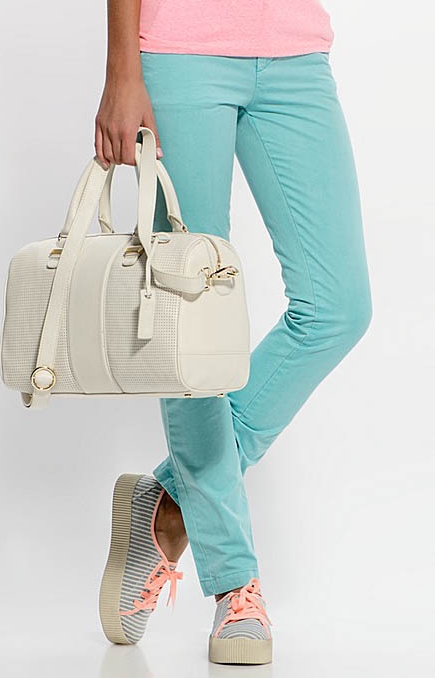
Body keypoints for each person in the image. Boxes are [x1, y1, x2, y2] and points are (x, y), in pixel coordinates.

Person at [95, 0, 373, 665]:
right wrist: (122, 71)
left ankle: (170, 501)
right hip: (179, 51)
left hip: (296, 50)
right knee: (190, 313)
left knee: (338, 307)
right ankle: (234, 585)